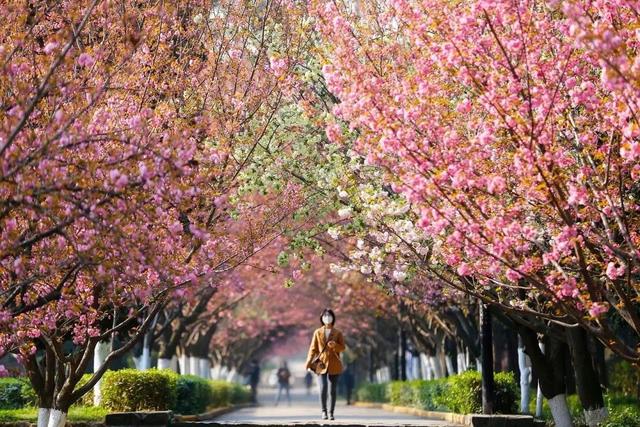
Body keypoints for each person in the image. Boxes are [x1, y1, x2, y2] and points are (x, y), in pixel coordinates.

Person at [305, 308, 346, 420]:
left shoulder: (338, 333)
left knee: (332, 390)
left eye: (329, 315)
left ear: (333, 318)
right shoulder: (317, 332)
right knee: (323, 387)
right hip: (321, 364)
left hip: (334, 363)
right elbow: (313, 349)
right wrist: (308, 363)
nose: (327, 317)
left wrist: (335, 346)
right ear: (321, 318)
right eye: (325, 315)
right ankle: (324, 412)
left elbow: (343, 348)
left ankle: (331, 412)